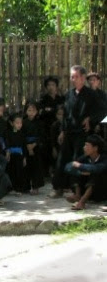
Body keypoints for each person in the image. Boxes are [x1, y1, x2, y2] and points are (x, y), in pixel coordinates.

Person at [49, 65, 104, 198]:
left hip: (83, 133)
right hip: (69, 132)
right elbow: (66, 114)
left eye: (76, 77)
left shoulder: (91, 94)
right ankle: (58, 188)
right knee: (62, 159)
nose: (73, 79)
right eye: (72, 77)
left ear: (83, 78)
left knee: (77, 160)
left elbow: (102, 111)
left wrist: (91, 119)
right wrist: (62, 131)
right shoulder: (69, 94)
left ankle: (76, 191)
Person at [64, 135, 107, 210]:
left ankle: (82, 202)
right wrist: (80, 172)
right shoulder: (85, 158)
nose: (84, 147)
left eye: (87, 145)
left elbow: (98, 168)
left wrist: (80, 166)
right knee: (75, 171)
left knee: (96, 174)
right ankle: (77, 195)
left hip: (101, 191)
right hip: (87, 191)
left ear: (95, 148)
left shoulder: (104, 158)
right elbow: (68, 167)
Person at [23, 100, 45, 195]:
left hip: (36, 147)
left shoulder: (40, 123)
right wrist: (27, 146)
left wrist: (34, 145)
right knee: (26, 166)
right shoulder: (23, 122)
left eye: (33, 110)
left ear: (37, 112)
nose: (31, 113)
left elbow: (42, 136)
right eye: (29, 110)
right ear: (26, 111)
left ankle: (36, 186)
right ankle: (25, 186)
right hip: (25, 146)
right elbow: (20, 135)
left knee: (36, 167)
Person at [5, 112, 26, 195]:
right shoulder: (8, 132)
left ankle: (19, 189)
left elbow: (23, 146)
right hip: (11, 155)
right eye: (17, 123)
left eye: (20, 123)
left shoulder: (22, 133)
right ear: (11, 123)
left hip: (19, 156)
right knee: (11, 172)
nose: (19, 125)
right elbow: (7, 143)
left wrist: (24, 157)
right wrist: (8, 152)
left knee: (19, 172)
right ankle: (11, 188)